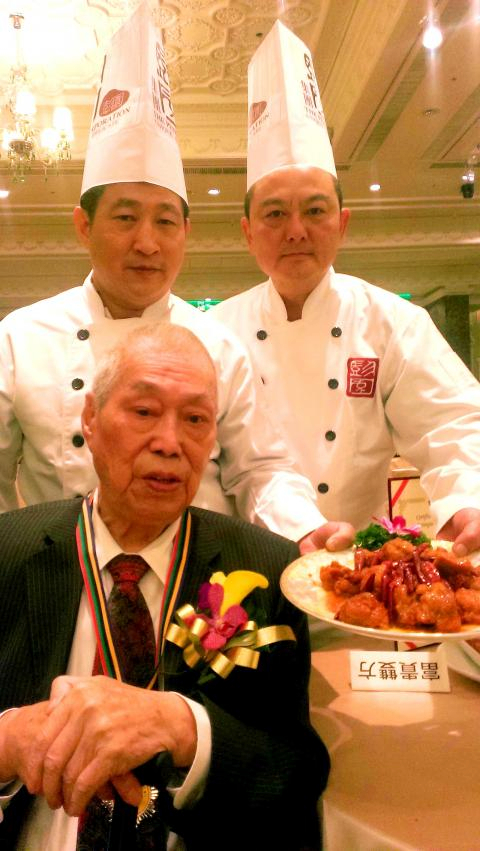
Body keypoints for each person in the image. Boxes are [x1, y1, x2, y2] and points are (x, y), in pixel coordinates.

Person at [0, 4, 353, 554]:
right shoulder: (20, 338)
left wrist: (303, 528)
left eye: (165, 221)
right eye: (125, 218)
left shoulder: (218, 345)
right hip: (61, 582)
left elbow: (260, 469)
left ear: (186, 232)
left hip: (200, 584)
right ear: (83, 226)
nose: (147, 242)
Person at [0, 322, 329, 851]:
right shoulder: (8, 551)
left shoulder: (265, 567)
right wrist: (8, 740)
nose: (170, 444)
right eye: (144, 411)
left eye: (196, 419)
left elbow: (296, 772)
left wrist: (186, 728)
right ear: (90, 419)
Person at [213, 20, 480, 557]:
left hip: (355, 565)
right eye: (274, 214)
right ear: (247, 233)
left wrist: (468, 500)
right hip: (241, 570)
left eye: (315, 211)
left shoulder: (391, 322)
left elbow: (452, 421)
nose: (295, 230)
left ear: (342, 223)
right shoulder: (214, 332)